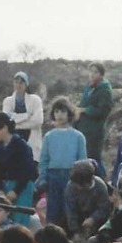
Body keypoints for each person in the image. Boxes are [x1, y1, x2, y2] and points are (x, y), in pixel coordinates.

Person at [39, 97, 88, 228]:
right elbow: (43, 160)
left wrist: (81, 179)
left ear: (69, 113)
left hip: (71, 177)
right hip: (53, 176)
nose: (59, 115)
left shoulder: (78, 136)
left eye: (63, 111)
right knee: (53, 212)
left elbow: (83, 160)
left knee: (71, 210)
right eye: (56, 112)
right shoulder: (49, 136)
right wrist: (43, 177)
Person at [0, 112, 38, 223]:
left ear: (4, 128)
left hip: (22, 187)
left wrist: (16, 191)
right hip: (4, 187)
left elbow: (27, 171)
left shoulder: (22, 146)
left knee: (20, 220)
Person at [75, 62, 113, 164]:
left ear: (101, 75)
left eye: (95, 72)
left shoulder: (105, 90)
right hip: (83, 128)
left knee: (93, 159)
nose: (92, 74)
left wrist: (85, 110)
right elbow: (83, 103)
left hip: (95, 131)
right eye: (90, 71)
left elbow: (103, 110)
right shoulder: (89, 87)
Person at [65, 159, 111, 240]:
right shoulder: (71, 187)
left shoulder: (100, 187)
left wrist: (93, 218)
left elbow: (104, 207)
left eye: (79, 185)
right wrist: (75, 230)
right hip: (79, 219)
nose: (77, 187)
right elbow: (71, 210)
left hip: (98, 221)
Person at [3, 71, 44, 159]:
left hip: (32, 142)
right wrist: (26, 116)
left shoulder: (35, 100)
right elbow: (5, 121)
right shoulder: (7, 101)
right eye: (16, 82)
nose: (18, 85)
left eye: (21, 83)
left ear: (26, 84)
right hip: (13, 142)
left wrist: (15, 122)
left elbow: (38, 121)